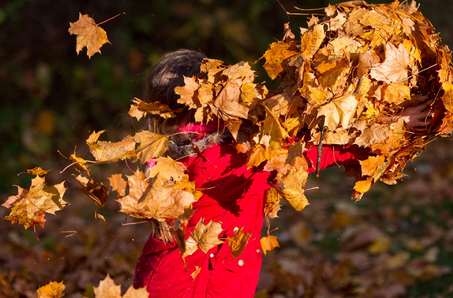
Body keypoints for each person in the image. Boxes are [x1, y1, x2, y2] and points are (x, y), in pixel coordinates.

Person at [133, 49, 431, 297]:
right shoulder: (216, 160)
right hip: (191, 285)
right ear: (203, 101)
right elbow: (304, 152)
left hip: (188, 277)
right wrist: (393, 125)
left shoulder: (179, 150)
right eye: (223, 87)